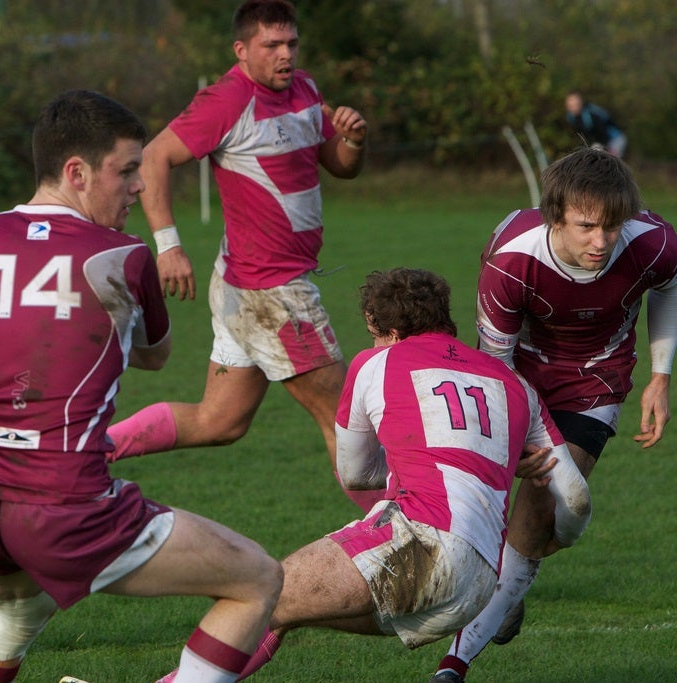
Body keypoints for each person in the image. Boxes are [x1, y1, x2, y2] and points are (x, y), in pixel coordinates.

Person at [0, 89, 283, 683]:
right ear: (76, 172)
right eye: (127, 170)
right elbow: (155, 357)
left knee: (22, 608)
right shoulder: (126, 258)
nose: (139, 187)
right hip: (68, 507)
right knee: (257, 580)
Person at [155, 267, 591, 683]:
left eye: (374, 333)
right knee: (281, 612)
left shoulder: (376, 362)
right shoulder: (514, 382)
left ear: (389, 331)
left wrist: (412, 459)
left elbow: (356, 472)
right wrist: (560, 539)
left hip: (421, 544)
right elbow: (575, 498)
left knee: (260, 590)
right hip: (479, 587)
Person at [104, 0, 376, 508]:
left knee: (219, 420)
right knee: (346, 417)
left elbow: (340, 166)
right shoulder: (226, 100)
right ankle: (408, 544)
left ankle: (88, 453)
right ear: (242, 50)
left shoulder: (307, 90)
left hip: (245, 285)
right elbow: (157, 155)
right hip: (270, 291)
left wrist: (354, 141)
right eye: (271, 45)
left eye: (290, 43)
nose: (284, 54)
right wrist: (168, 247)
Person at [428, 147, 677, 682]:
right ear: (554, 216)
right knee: (529, 512)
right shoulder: (511, 258)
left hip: (597, 383)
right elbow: (495, 363)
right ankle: (455, 664)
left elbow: (669, 287)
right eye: (587, 226)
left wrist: (661, 375)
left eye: (613, 226)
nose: (602, 241)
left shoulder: (653, 241)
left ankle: (507, 582)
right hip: (519, 379)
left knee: (555, 509)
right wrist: (519, 439)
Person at [564, 90, 627, 158]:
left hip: (614, 139)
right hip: (599, 142)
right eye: (571, 105)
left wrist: (605, 149)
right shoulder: (571, 117)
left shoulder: (591, 114)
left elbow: (602, 133)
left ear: (580, 102)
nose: (574, 107)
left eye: (576, 104)